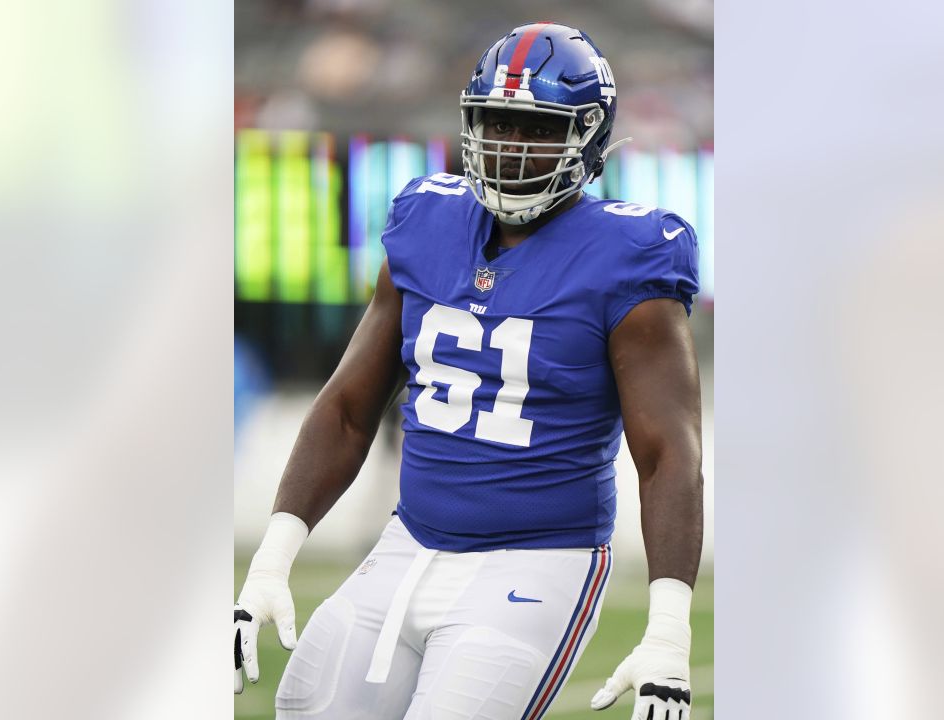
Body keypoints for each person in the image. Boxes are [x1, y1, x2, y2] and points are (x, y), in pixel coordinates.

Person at [234, 21, 703, 720]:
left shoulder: (630, 255)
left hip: (539, 562)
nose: (511, 147)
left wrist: (668, 626)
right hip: (407, 543)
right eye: (497, 123)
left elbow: (669, 452)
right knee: (305, 706)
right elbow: (347, 406)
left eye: (536, 129)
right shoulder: (426, 221)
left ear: (589, 139)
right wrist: (272, 557)